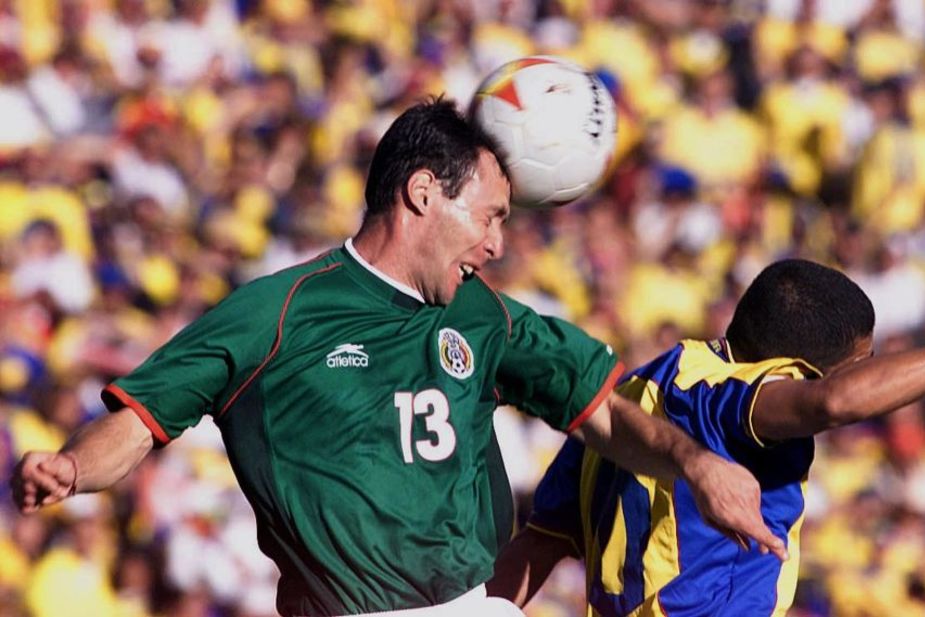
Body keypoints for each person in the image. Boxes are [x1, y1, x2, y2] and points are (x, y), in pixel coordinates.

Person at [9, 99, 784, 617]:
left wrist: (698, 465)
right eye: (489, 216)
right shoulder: (275, 312)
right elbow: (145, 419)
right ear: (422, 193)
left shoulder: (483, 315)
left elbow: (602, 409)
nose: (498, 243)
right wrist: (73, 467)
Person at [488, 259, 925, 616]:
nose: (863, 378)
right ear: (792, 370)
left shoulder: (625, 399)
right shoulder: (722, 400)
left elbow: (538, 545)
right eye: (858, 364)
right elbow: (835, 401)